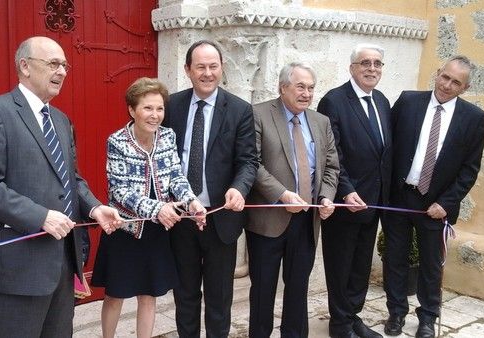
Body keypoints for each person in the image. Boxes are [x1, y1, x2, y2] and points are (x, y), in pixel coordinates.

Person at [0, 36, 122, 337]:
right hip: (18, 267)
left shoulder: (60, 120)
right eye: (53, 64)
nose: (61, 71)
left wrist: (95, 207)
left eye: (65, 65)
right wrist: (40, 216)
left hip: (62, 264)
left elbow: (70, 179)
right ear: (24, 66)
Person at [92, 77, 207, 338]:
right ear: (132, 110)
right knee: (115, 294)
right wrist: (157, 209)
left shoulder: (168, 136)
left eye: (159, 108)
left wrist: (191, 201)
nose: (155, 115)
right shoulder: (117, 141)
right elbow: (118, 191)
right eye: (147, 108)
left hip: (156, 231)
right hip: (124, 230)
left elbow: (176, 176)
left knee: (149, 294)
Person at [383, 55, 484, 338]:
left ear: (464, 88)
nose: (447, 85)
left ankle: (428, 317)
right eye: (445, 77)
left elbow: (469, 170)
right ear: (437, 73)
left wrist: (446, 203)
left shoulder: (475, 119)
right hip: (399, 198)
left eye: (456, 82)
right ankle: (396, 312)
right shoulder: (407, 102)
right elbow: (387, 146)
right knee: (395, 258)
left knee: (431, 264)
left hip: (436, 204)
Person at [163, 40, 258, 337]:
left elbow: (248, 161)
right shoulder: (171, 106)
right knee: (185, 296)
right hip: (181, 220)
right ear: (188, 70)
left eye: (213, 66)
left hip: (221, 219)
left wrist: (239, 189)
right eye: (200, 67)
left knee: (219, 300)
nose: (207, 73)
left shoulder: (240, 109)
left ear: (222, 68)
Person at [246, 62, 339, 338]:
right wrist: (281, 194)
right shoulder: (259, 114)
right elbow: (253, 163)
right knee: (263, 291)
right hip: (268, 221)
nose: (306, 93)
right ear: (282, 87)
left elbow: (332, 166)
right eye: (300, 86)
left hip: (307, 221)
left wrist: (327, 197)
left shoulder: (321, 122)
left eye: (311, 88)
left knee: (298, 289)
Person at [317, 43, 391, 338]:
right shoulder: (334, 101)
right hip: (345, 202)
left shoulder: (382, 101)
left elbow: (384, 153)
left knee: (361, 264)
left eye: (377, 64)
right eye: (365, 63)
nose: (372, 68)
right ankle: (339, 324)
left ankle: (353, 316)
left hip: (373, 202)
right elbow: (331, 155)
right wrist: (346, 191)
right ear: (352, 68)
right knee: (341, 264)